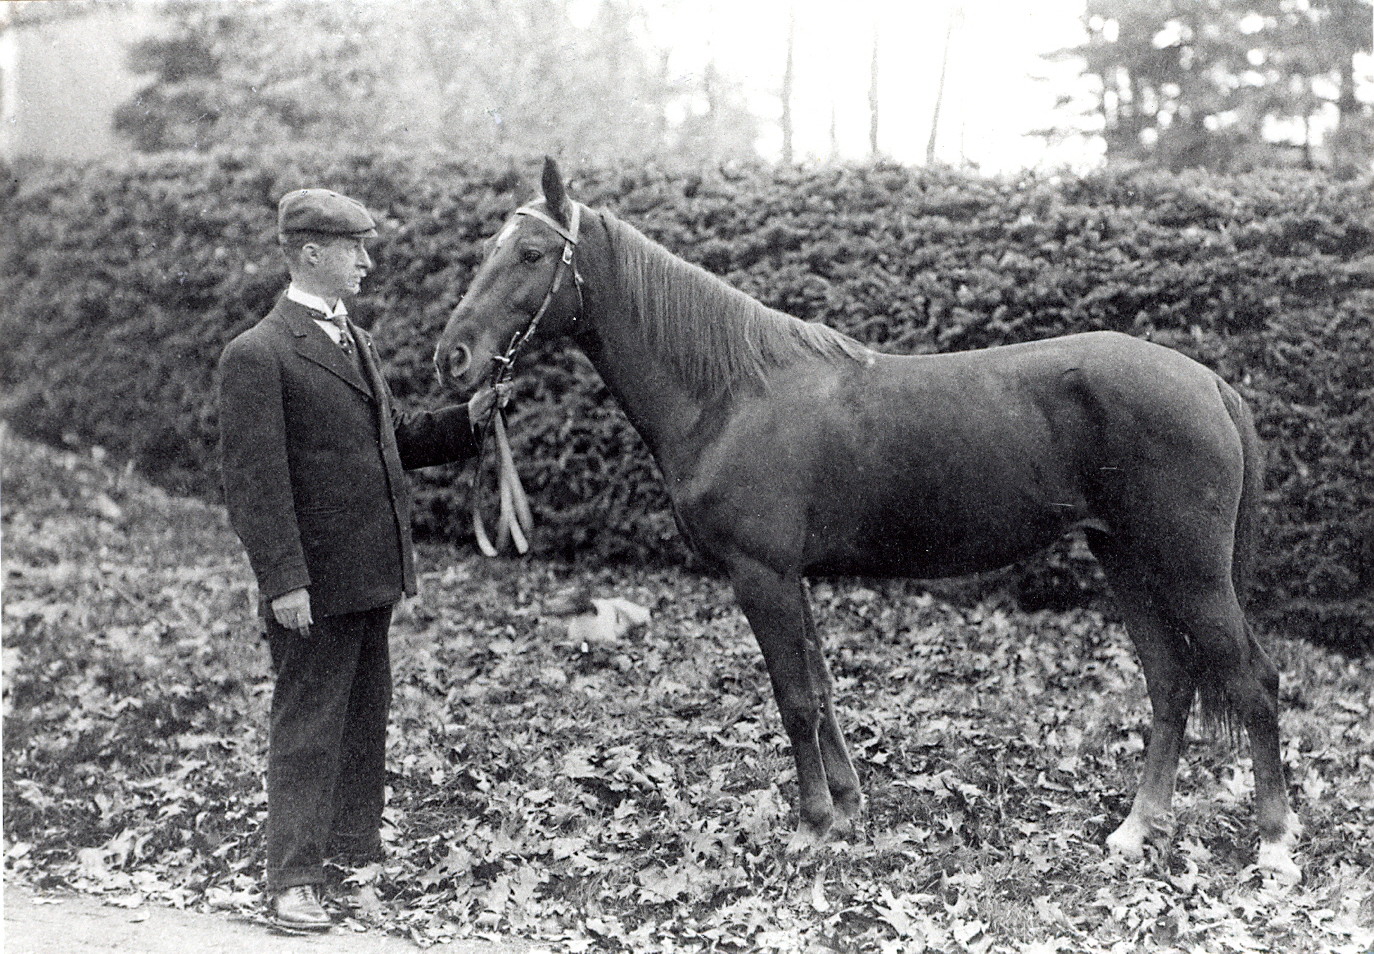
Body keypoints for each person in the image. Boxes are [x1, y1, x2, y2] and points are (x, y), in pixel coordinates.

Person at [217, 188, 498, 934]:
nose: (368, 262)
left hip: (370, 575)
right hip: (312, 585)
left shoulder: (356, 340)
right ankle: (292, 881)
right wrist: (284, 581)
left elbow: (391, 439)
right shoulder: (258, 354)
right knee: (308, 727)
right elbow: (256, 484)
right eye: (355, 249)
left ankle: (346, 860)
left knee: (363, 722)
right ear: (311, 254)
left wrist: (465, 424)